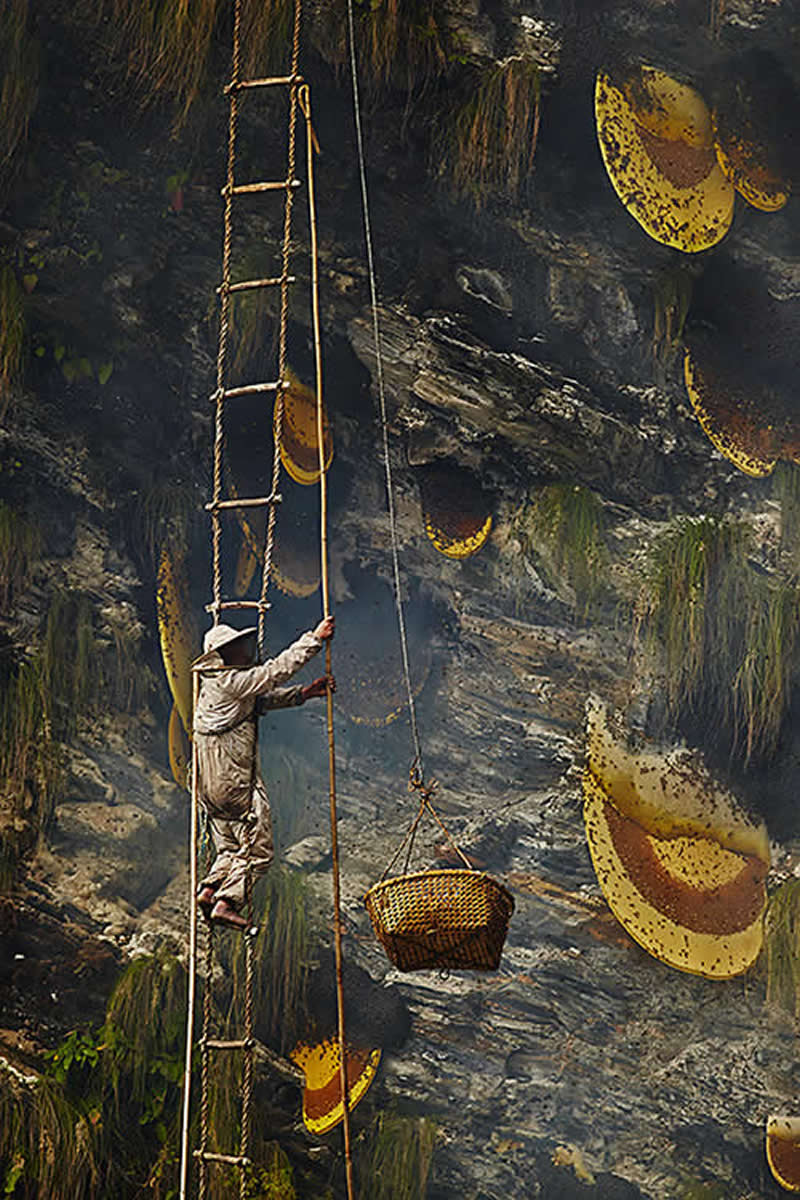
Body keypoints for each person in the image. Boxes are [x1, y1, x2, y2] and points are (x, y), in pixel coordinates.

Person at [192, 616, 335, 929]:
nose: (246, 649)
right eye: (239, 647)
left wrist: (303, 694)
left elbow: (259, 702)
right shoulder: (233, 681)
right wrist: (314, 638)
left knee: (231, 847)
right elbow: (274, 672)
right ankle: (227, 903)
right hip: (233, 780)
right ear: (225, 654)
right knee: (258, 850)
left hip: (208, 787)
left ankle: (210, 890)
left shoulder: (215, 686)